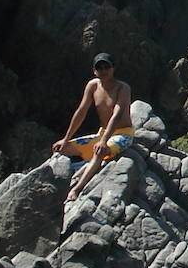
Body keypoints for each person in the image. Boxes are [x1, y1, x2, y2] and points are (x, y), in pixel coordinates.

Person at [54, 52, 135, 202]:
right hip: (103, 133)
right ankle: (87, 164)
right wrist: (66, 139)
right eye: (99, 68)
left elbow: (116, 115)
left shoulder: (122, 88)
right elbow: (81, 112)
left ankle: (77, 188)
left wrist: (104, 141)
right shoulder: (93, 85)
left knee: (100, 151)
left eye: (107, 67)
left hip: (123, 134)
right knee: (63, 149)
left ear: (113, 68)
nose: (103, 71)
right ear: (94, 71)